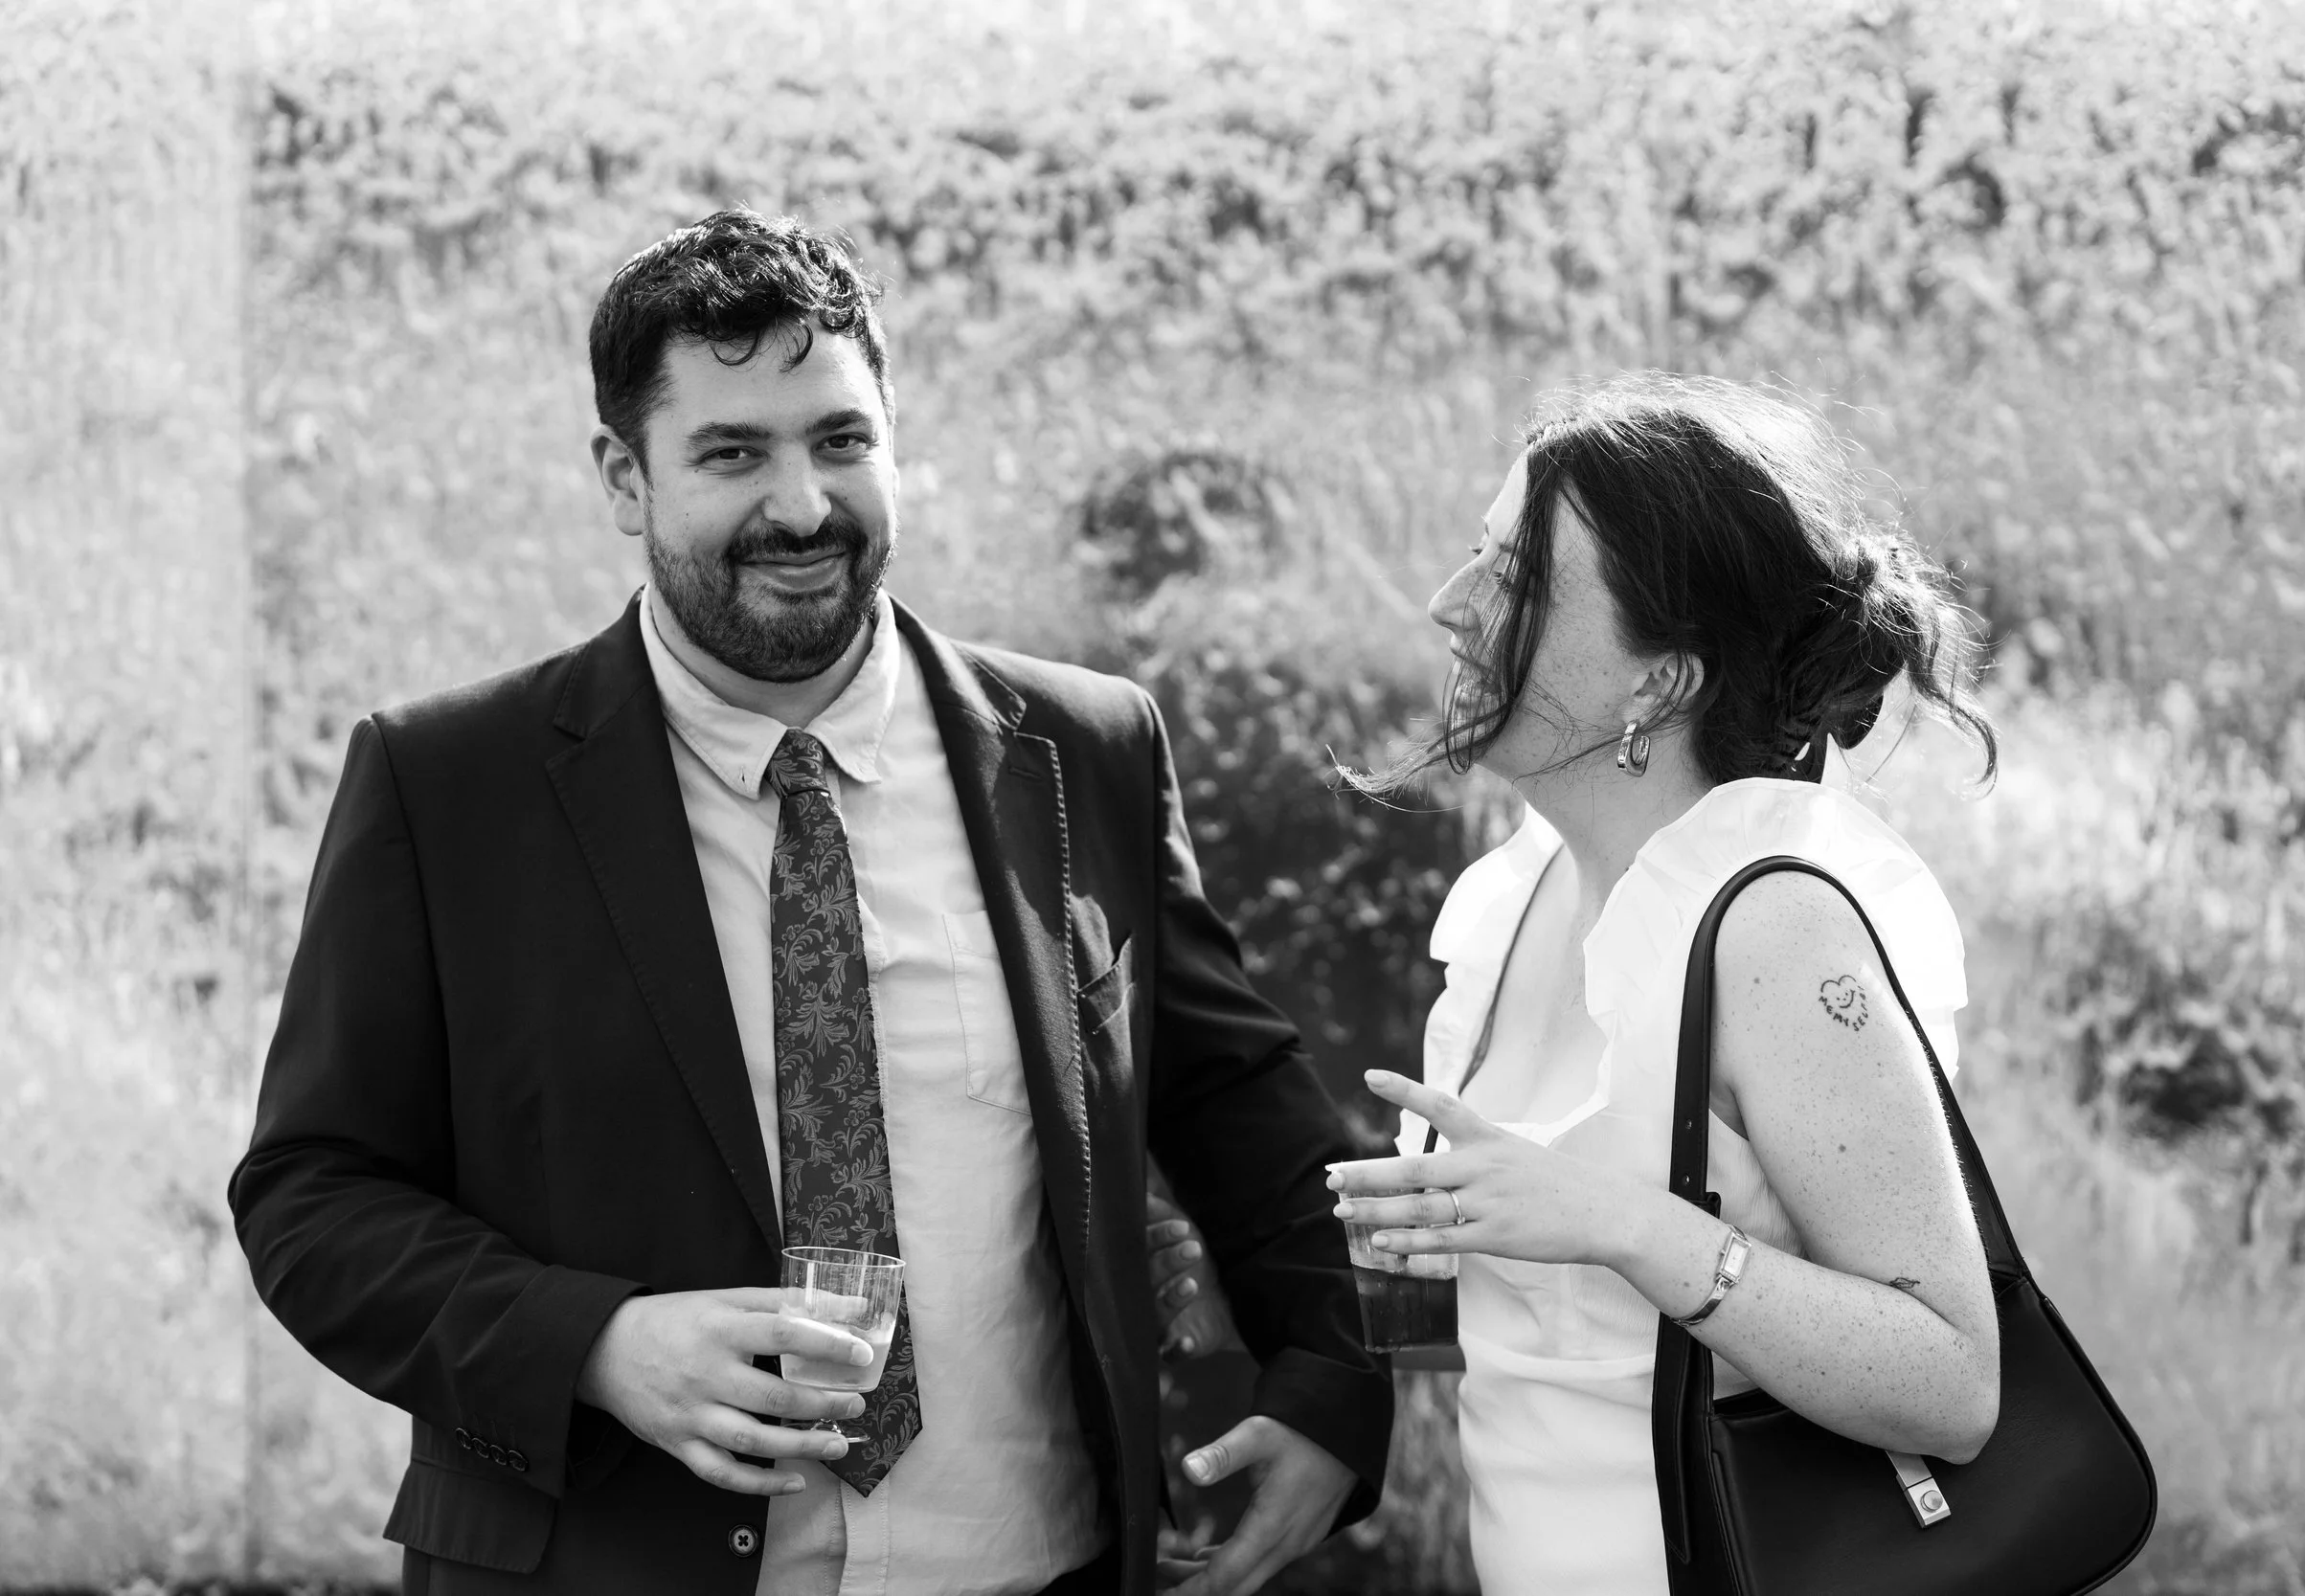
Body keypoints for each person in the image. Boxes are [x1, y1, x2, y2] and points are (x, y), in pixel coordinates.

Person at [228, 208, 1389, 1596]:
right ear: (624, 476)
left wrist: (1333, 1379)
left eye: (841, 440)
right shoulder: (444, 784)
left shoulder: (1085, 750)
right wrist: (593, 1341)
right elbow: (312, 1195)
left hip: (1040, 1566)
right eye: (732, 452)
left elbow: (1237, 1098)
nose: (800, 504)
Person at [1324, 374, 2004, 1595]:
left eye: (1514, 579)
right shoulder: (1515, 890)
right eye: (1475, 557)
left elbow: (1950, 1381)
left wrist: (1617, 1223)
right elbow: (1567, 1343)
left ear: (1659, 682)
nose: (1446, 605)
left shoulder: (1774, 926)